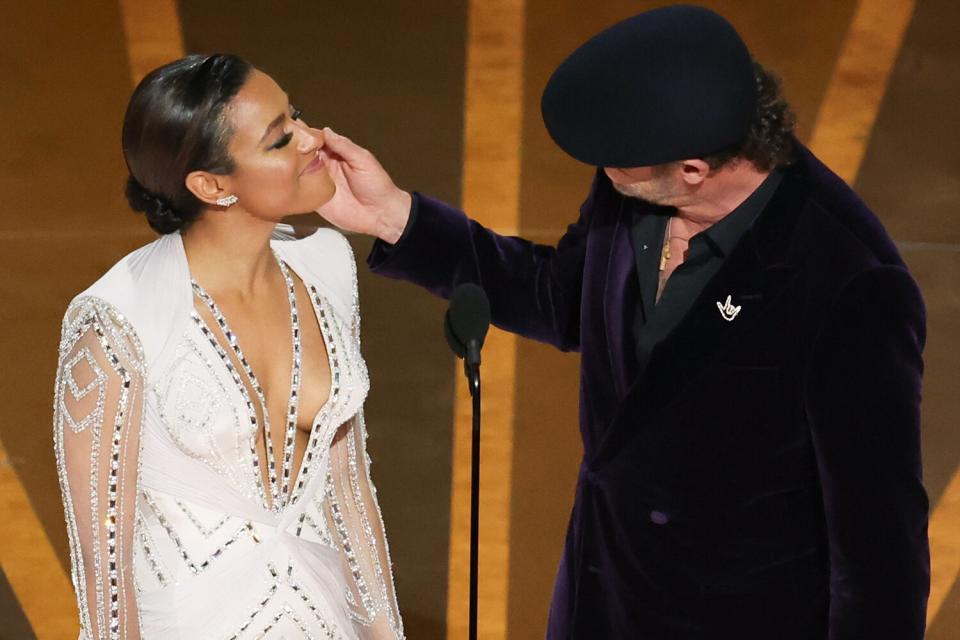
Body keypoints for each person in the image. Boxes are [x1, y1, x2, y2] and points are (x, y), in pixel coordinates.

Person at [315, 5, 929, 639]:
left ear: (694, 168)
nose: (604, 169)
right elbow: (560, 297)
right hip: (599, 602)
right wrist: (395, 218)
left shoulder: (851, 285)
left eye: (618, 164)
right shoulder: (639, 175)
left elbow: (879, 553)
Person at [52, 54, 403, 639]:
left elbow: (347, 488)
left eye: (298, 117)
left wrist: (385, 633)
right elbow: (103, 567)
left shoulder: (328, 267)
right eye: (280, 139)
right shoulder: (115, 320)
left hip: (323, 618)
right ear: (212, 185)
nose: (314, 139)